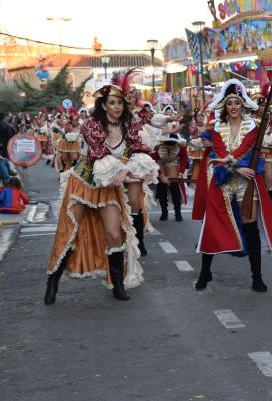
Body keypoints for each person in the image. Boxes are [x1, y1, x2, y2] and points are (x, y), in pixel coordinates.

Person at [44, 70, 158, 305]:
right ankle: (53, 281)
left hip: (109, 189)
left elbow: (140, 151)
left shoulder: (130, 127)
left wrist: (127, 169)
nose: (116, 107)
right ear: (104, 105)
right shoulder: (92, 125)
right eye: (112, 103)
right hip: (84, 185)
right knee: (70, 232)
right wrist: (123, 169)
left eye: (119, 103)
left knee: (115, 234)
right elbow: (99, 155)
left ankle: (116, 284)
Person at [193, 79, 272, 292]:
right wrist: (236, 168)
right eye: (230, 103)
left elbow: (246, 148)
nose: (234, 107)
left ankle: (257, 277)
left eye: (237, 102)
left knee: (250, 228)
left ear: (243, 104)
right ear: (224, 106)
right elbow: (218, 151)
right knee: (212, 226)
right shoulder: (216, 127)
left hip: (246, 183)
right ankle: (204, 272)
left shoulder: (253, 126)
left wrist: (234, 164)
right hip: (222, 179)